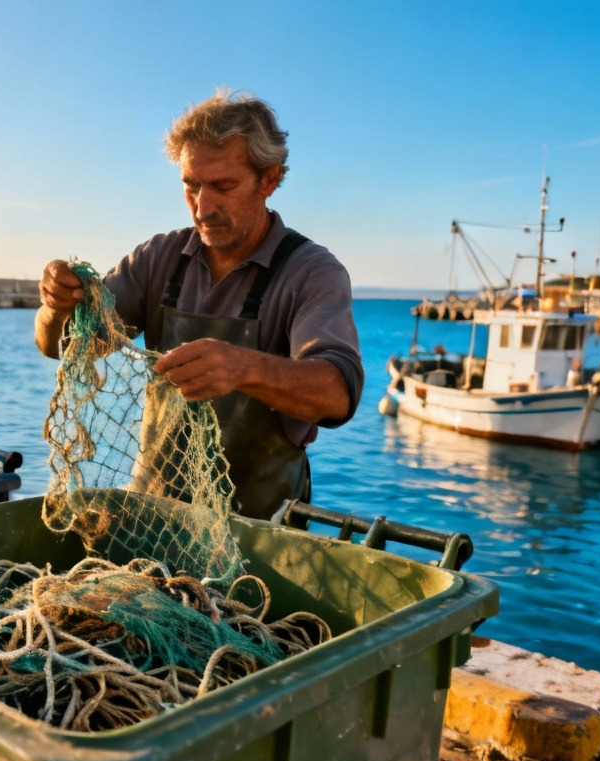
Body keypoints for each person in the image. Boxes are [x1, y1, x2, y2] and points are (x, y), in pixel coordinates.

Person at [35, 90, 364, 519]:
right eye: (191, 186)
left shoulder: (312, 271)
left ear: (269, 179)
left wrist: (242, 368)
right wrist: (55, 306)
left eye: (223, 186)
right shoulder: (159, 258)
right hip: (154, 516)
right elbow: (60, 346)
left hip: (264, 528)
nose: (202, 208)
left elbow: (338, 393)